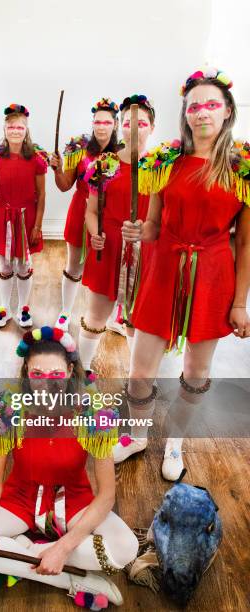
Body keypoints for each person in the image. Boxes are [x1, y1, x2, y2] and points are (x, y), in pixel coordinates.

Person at [116, 67, 250, 479]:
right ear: (185, 114)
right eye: (194, 106)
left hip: (212, 274)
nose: (201, 113)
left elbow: (244, 243)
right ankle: (137, 434)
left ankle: (175, 440)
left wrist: (240, 303)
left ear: (227, 111)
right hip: (163, 269)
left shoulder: (242, 169)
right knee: (141, 370)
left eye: (211, 104)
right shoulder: (165, 162)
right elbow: (154, 223)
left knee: (195, 372)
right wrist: (141, 232)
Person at [0, 326, 138, 605]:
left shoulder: (94, 411)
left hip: (74, 498)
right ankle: (79, 581)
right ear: (26, 370)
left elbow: (107, 495)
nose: (46, 385)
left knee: (127, 547)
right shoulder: (7, 408)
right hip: (20, 497)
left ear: (69, 370)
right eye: (37, 375)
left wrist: (63, 549)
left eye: (56, 375)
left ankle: (16, 555)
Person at [79, 95, 155, 375]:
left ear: (152, 128)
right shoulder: (105, 164)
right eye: (127, 123)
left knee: (137, 319)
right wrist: (95, 233)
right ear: (119, 127)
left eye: (142, 123)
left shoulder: (161, 167)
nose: (134, 129)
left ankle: (137, 379)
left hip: (146, 251)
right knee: (96, 316)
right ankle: (82, 372)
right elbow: (91, 212)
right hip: (108, 247)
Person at [50, 99, 119, 332]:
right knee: (74, 265)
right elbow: (64, 185)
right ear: (92, 123)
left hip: (110, 216)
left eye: (107, 122)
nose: (101, 126)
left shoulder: (122, 154)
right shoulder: (78, 151)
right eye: (97, 122)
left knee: (108, 269)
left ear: (115, 124)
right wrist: (57, 169)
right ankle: (65, 311)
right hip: (80, 211)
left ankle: (109, 318)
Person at [0, 104, 47, 329]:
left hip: (26, 217)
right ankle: (4, 307)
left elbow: (42, 194)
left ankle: (24, 308)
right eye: (11, 127)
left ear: (26, 130)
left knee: (23, 264)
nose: (15, 131)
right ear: (4, 129)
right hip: (2, 215)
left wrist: (38, 225)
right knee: (4, 264)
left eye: (19, 127)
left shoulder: (36, 159)